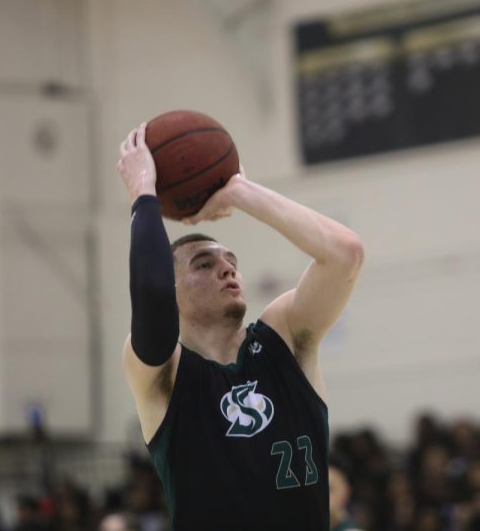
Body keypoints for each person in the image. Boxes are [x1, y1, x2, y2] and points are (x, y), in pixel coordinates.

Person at [115, 121, 364, 530]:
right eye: (204, 265)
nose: (227, 270)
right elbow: (150, 291)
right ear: (172, 286)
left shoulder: (285, 336)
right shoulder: (164, 376)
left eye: (231, 262)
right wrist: (143, 192)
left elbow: (345, 254)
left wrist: (239, 192)